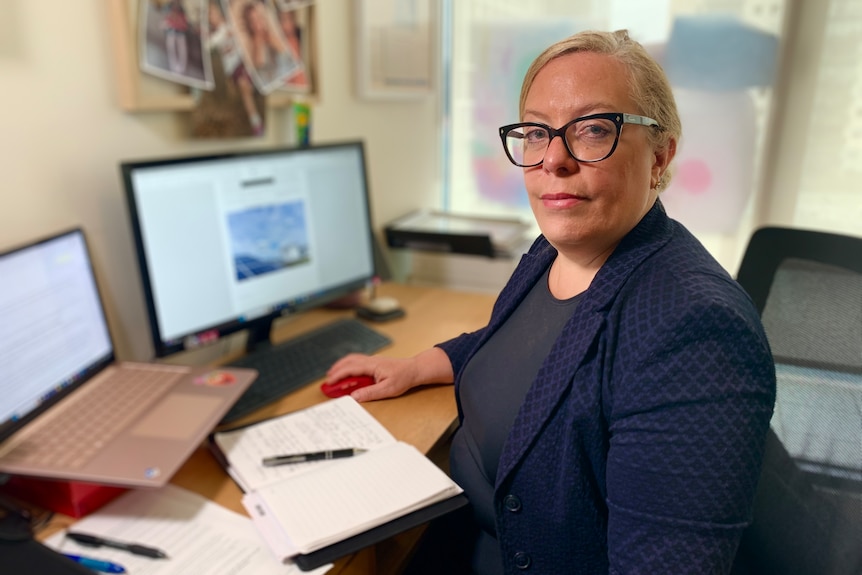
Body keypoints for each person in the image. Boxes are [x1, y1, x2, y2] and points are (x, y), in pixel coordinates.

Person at [326, 29, 776, 574]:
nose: (554, 160)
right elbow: (515, 347)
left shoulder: (694, 333)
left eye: (592, 130)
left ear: (661, 154)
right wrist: (415, 366)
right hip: (451, 528)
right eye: (537, 133)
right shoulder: (553, 251)